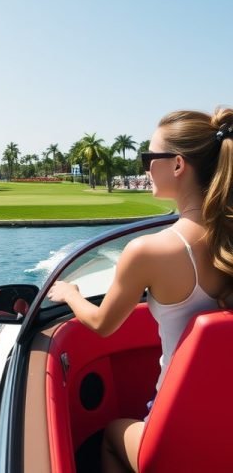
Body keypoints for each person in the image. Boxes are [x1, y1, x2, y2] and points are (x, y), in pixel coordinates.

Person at [48, 107, 233, 472]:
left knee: (112, 435)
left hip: (181, 422)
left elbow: (102, 324)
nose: (145, 167)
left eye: (150, 157)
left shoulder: (149, 251)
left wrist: (70, 294)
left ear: (178, 165)